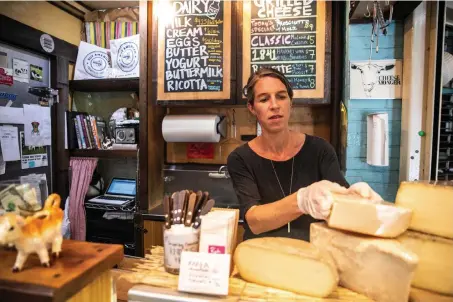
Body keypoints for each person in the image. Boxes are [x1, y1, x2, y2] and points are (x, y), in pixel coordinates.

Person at [227, 68, 382, 242]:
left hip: (312, 253)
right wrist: (302, 200)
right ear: (252, 108)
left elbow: (341, 207)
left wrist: (357, 200)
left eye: (281, 96)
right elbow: (255, 222)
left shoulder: (320, 150)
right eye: (264, 99)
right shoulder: (240, 158)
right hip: (262, 253)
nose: (274, 105)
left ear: (290, 103)